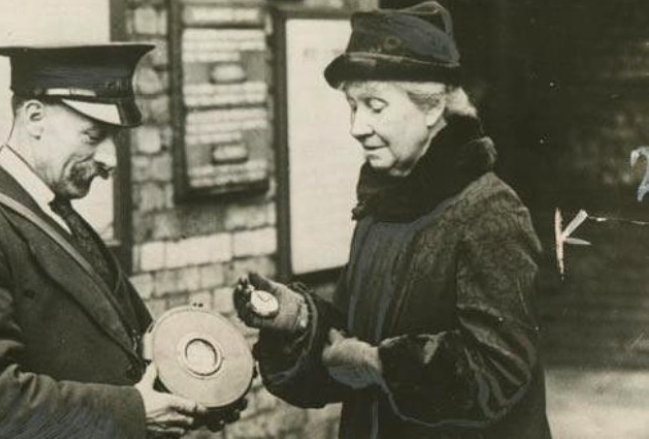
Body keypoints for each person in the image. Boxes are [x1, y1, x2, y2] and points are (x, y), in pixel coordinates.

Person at [233, 2, 552, 438]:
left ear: (432, 107)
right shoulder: (382, 210)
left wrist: (376, 364)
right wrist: (296, 319)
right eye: (352, 106)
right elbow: (348, 340)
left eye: (374, 106)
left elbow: (497, 371)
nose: (357, 126)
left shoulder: (489, 212)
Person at [0, 44, 224, 439]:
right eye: (94, 136)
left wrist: (199, 390)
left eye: (113, 139)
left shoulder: (54, 213)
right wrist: (132, 413)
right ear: (35, 118)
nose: (110, 159)